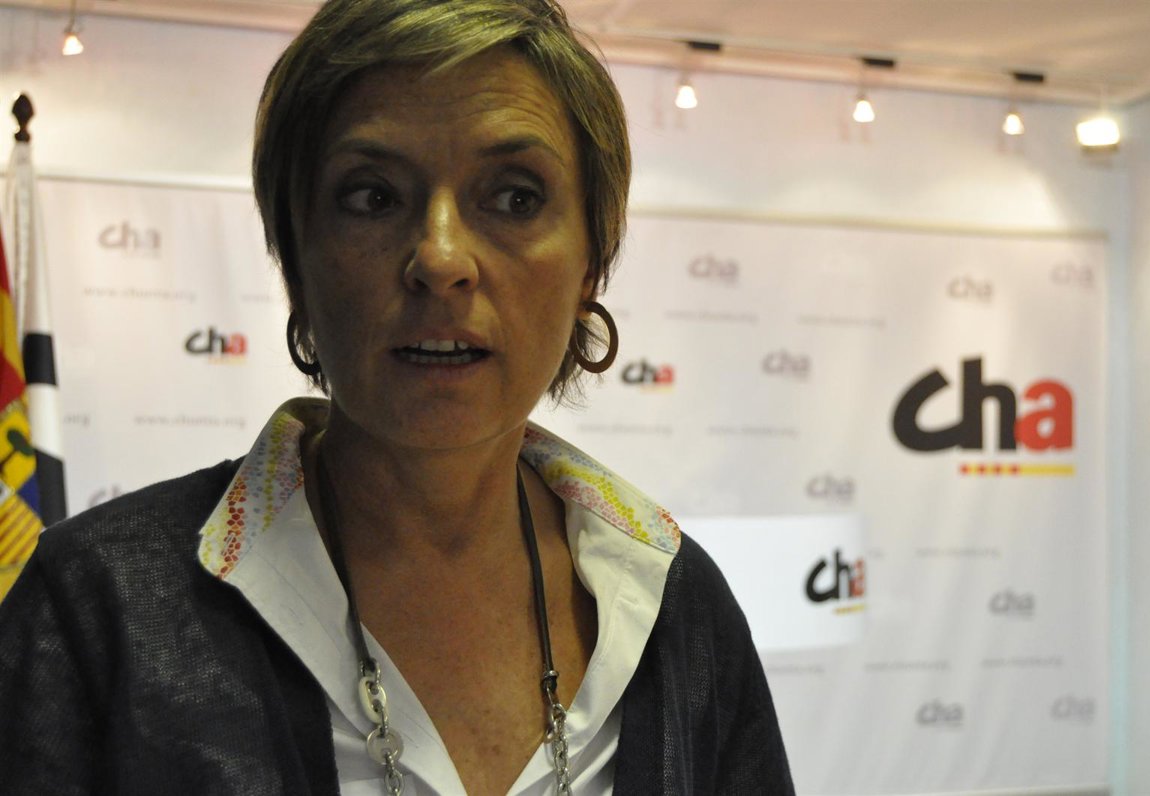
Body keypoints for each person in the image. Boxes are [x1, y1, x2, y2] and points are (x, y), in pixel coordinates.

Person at [0, 0, 793, 793]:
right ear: (294, 256)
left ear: (591, 261)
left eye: (515, 198)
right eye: (372, 197)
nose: (440, 259)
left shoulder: (675, 609)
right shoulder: (98, 610)